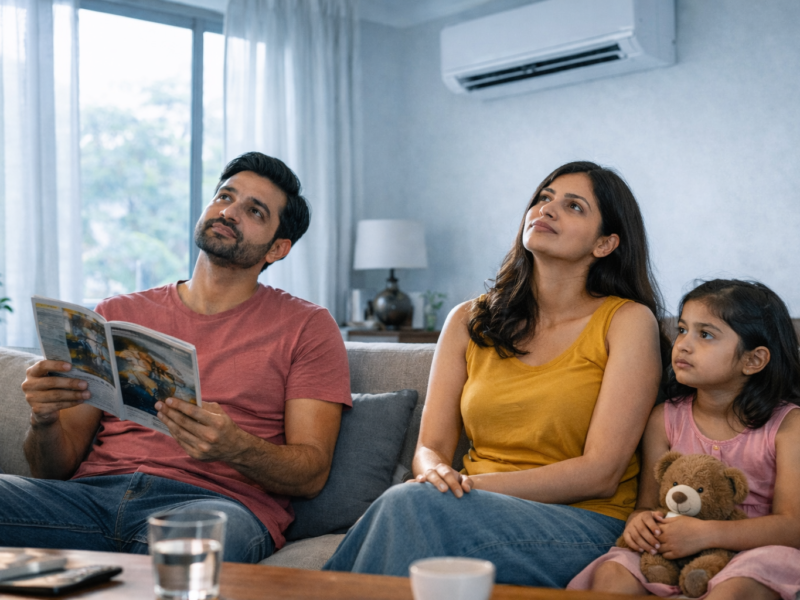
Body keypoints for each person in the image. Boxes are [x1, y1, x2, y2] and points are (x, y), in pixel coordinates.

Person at [323, 161, 666, 587]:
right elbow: (430, 446)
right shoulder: (468, 319)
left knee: (412, 505)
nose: (546, 209)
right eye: (544, 198)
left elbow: (601, 473)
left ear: (605, 243)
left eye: (573, 206)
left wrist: (467, 486)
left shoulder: (627, 322)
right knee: (411, 502)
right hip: (467, 503)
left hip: (583, 523)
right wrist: (435, 474)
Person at [1, 152, 351, 563]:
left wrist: (235, 447)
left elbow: (311, 475)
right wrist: (43, 419)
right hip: (88, 499)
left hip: (210, 505)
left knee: (199, 544)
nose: (229, 212)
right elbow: (52, 470)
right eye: (225, 196)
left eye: (254, 211)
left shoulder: (307, 326)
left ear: (277, 248)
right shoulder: (116, 313)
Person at [568, 279, 800, 599]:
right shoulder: (664, 419)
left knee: (734, 589)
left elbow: (793, 526)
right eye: (682, 330)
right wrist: (640, 522)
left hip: (757, 552)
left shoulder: (789, 426)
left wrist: (707, 534)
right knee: (612, 574)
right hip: (674, 551)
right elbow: (648, 505)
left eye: (705, 335)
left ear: (753, 360)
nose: (684, 345)